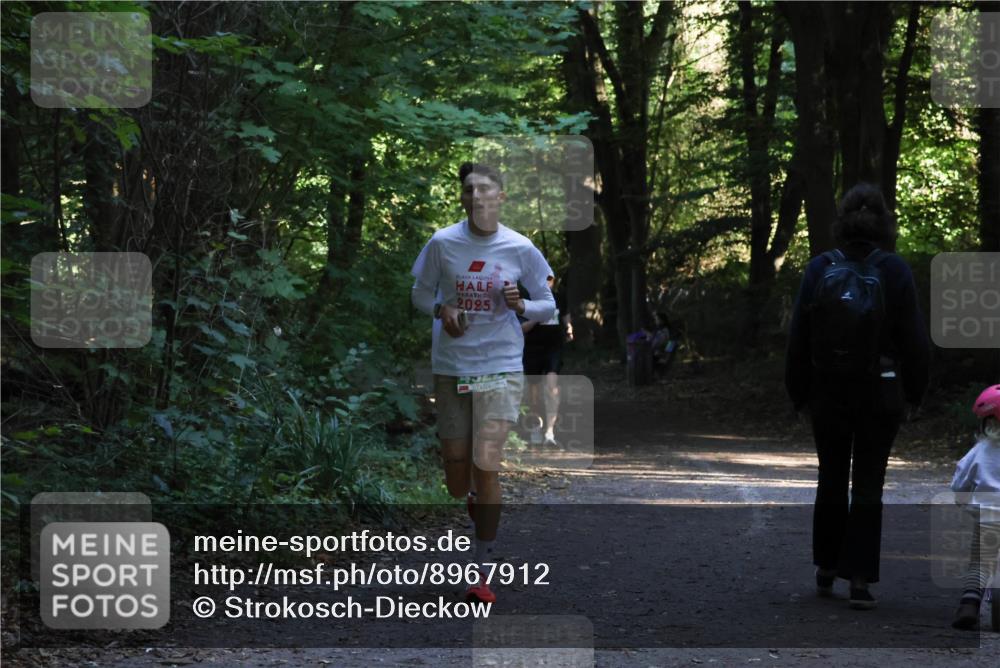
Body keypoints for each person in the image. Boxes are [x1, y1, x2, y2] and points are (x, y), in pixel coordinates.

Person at [410, 162, 555, 603]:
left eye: (485, 189)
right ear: (462, 197)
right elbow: (419, 293)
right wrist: (441, 310)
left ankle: (482, 572)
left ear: (500, 196)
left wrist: (521, 305)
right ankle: (470, 494)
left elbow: (548, 305)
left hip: (501, 365)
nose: (476, 196)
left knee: (487, 463)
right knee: (457, 474)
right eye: (469, 189)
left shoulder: (521, 247)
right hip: (452, 365)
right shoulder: (442, 243)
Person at [785, 182, 930, 610]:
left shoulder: (819, 267)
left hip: (827, 391)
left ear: (841, 221)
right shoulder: (895, 271)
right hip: (879, 392)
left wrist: (798, 394)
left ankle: (827, 566)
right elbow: (915, 340)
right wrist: (915, 393)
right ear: (884, 223)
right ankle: (861, 580)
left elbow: (799, 338)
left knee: (830, 476)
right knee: (869, 482)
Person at [950, 385, 1000, 630]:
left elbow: (960, 482)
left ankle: (969, 605)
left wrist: (961, 498)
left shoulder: (980, 450)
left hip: (988, 517)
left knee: (980, 562)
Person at [519, 276, 572, 447]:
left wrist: (569, 327)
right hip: (532, 348)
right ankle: (536, 427)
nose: (548, 282)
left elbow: (565, 315)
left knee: (551, 386)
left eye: (550, 278)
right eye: (544, 278)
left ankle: (550, 432)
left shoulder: (558, 297)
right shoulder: (527, 300)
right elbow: (521, 328)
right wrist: (537, 318)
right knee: (534, 395)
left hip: (554, 347)